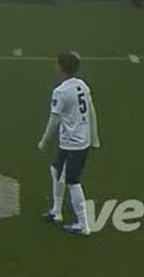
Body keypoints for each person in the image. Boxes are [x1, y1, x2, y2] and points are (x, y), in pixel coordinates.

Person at [38, 52, 100, 236]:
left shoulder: (61, 92)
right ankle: (56, 211)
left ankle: (83, 225)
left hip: (73, 143)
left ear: (61, 68)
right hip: (80, 140)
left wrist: (44, 141)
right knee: (56, 170)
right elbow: (91, 111)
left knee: (73, 181)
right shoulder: (82, 85)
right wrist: (94, 136)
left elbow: (54, 120)